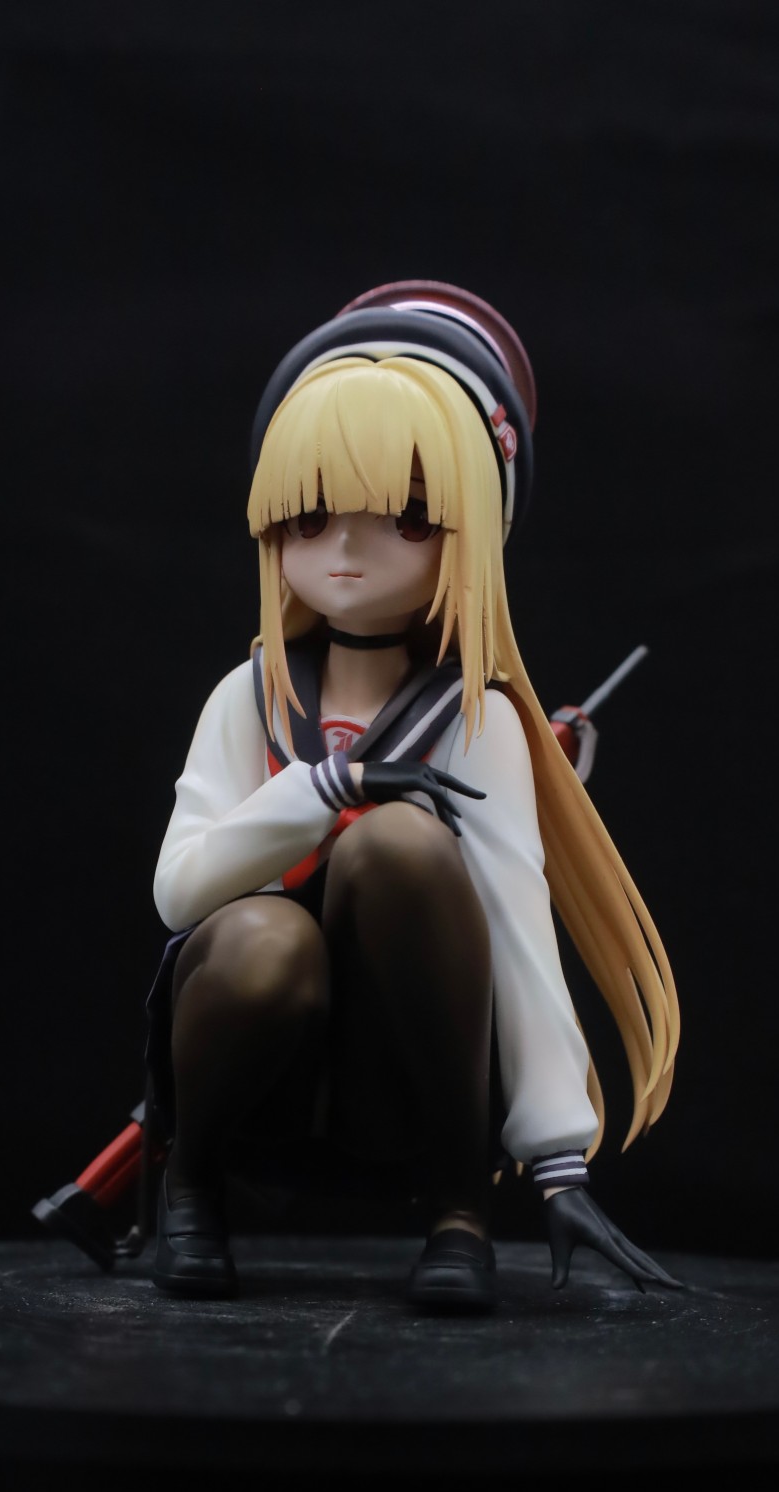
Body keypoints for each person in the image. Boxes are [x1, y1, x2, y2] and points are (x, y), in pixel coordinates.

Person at [147, 283, 680, 1312]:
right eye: (312, 516)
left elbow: (519, 926)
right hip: (254, 1051)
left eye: (407, 517)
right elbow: (179, 892)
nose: (347, 551)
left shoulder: (476, 721)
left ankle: (456, 1210)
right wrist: (320, 787)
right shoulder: (248, 698)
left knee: (401, 845)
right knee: (262, 938)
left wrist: (558, 1159)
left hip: (408, 1068)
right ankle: (191, 1191)